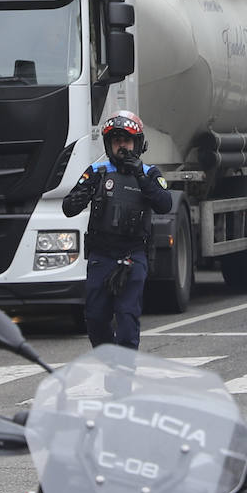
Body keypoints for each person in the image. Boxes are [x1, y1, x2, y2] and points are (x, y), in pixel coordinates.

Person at [62, 110, 173, 349]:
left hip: (133, 256)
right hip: (101, 257)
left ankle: (123, 373)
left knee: (126, 316)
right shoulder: (97, 172)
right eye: (116, 141)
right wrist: (81, 195)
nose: (121, 147)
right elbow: (68, 208)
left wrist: (140, 177)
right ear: (109, 144)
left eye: (126, 141)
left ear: (137, 143)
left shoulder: (149, 173)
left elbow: (165, 204)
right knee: (95, 317)